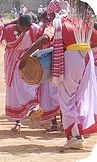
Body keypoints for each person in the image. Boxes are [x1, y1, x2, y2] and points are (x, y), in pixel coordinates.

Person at [19, 0, 97, 149]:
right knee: (79, 97)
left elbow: (45, 38)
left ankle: (74, 137)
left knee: (67, 99)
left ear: (53, 12)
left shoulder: (57, 22)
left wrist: (26, 56)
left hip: (71, 57)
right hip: (87, 57)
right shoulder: (79, 21)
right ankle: (79, 130)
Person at [1, 14, 41, 132]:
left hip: (28, 59)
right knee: (14, 89)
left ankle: (32, 109)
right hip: (12, 61)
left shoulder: (35, 29)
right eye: (21, 27)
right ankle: (17, 121)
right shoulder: (8, 30)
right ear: (17, 24)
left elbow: (40, 41)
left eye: (26, 28)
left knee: (30, 85)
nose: (23, 30)